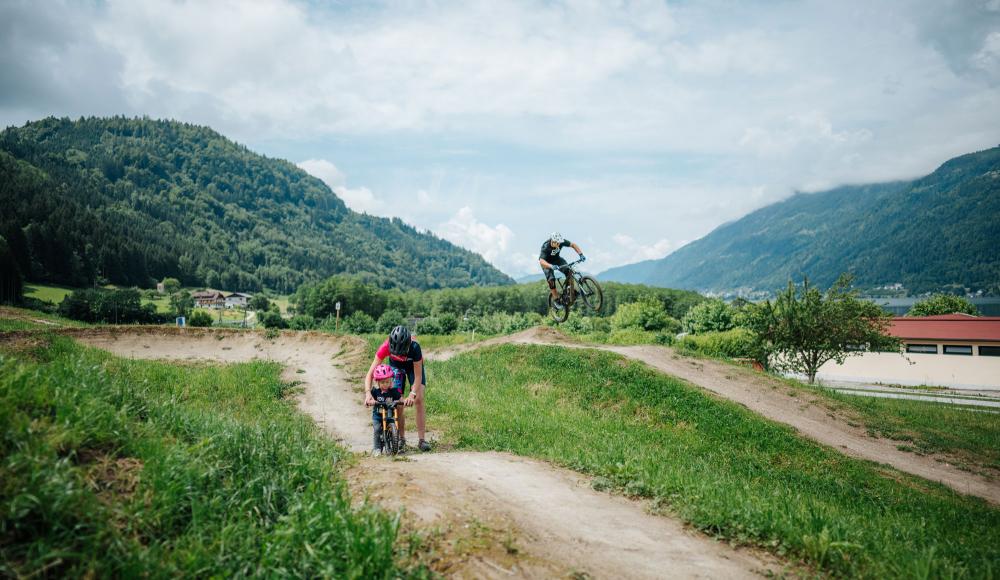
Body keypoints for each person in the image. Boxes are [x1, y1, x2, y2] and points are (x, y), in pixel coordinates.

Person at [364, 325, 431, 452]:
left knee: (419, 398)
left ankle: (422, 440)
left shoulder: (415, 347)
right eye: (396, 353)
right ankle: (401, 438)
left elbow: (418, 376)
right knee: (396, 401)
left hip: (412, 367)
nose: (400, 355)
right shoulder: (385, 346)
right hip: (396, 367)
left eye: (402, 353)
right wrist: (368, 393)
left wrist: (412, 394)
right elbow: (369, 374)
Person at [538, 232, 586, 308]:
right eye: (556, 243)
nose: (558, 245)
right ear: (552, 241)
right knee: (551, 279)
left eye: (559, 243)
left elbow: (573, 245)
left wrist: (581, 254)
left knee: (569, 270)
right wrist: (551, 266)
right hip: (546, 263)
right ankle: (556, 299)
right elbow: (541, 261)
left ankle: (569, 290)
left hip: (557, 260)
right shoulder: (546, 246)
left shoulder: (561, 241)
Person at [365, 364, 401, 456]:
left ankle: (395, 442)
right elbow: (369, 398)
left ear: (390, 381)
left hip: (389, 414)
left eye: (387, 382)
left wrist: (404, 401)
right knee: (377, 429)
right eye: (383, 382)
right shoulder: (375, 391)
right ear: (378, 382)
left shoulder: (393, 391)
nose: (386, 384)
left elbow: (399, 398)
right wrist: (370, 401)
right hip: (378, 416)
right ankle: (377, 448)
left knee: (395, 427)